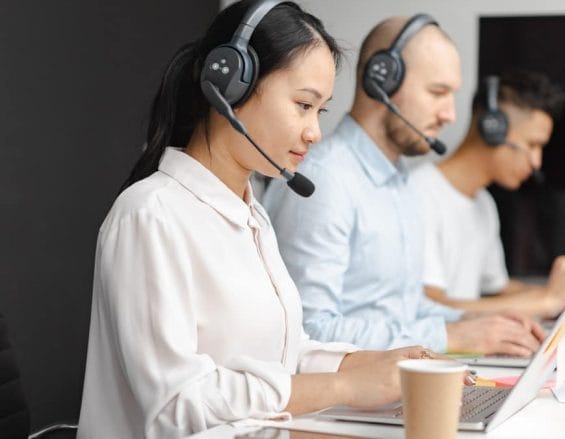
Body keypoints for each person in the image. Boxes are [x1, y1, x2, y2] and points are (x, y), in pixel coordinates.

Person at [77, 2, 437, 438]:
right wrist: (342, 385)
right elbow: (177, 405)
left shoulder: (251, 215)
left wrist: (361, 362)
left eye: (319, 111)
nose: (314, 132)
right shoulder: (150, 216)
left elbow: (278, 354)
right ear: (229, 85)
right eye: (303, 105)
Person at [263, 15, 545, 357]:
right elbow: (308, 330)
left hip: (394, 387)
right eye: (437, 92)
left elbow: (405, 309)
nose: (450, 115)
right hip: (336, 403)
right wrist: (451, 337)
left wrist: (478, 322)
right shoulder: (326, 181)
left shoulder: (402, 183)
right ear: (383, 78)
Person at [410, 72, 565, 319]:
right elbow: (430, 307)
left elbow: (497, 290)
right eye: (532, 144)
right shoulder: (419, 192)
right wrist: (546, 301)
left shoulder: (484, 204)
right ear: (492, 127)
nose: (536, 162)